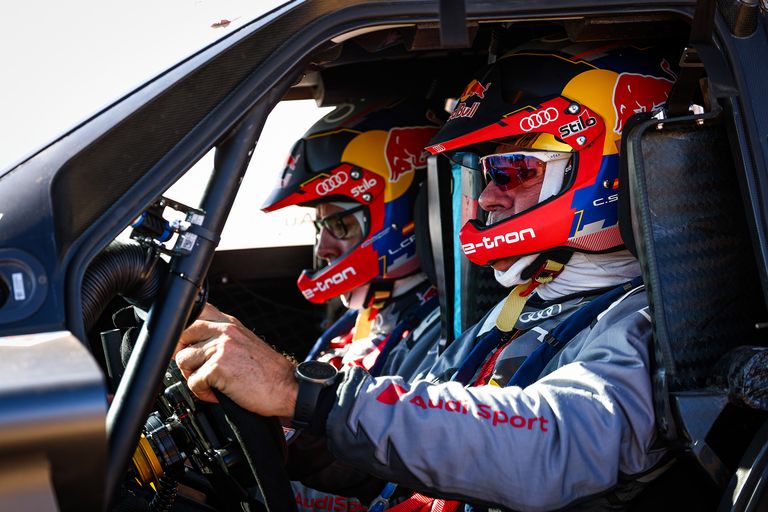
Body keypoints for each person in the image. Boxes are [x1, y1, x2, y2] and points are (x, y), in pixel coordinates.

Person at [175, 38, 678, 511]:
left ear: (610, 169)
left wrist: (299, 392)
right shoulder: (519, 306)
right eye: (484, 174)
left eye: (513, 171)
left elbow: (554, 442)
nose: (485, 198)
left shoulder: (647, 324)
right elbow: (432, 452)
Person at [260, 97, 445, 510]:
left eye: (341, 224)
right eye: (320, 225)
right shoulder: (360, 317)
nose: (324, 247)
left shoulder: (444, 330)